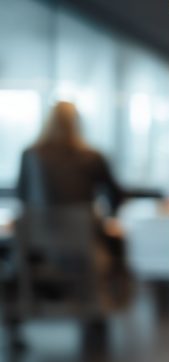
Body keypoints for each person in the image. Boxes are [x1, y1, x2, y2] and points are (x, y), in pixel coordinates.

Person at [15, 101, 128, 292]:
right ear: (78, 124)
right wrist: (109, 217)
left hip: (39, 239)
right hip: (84, 240)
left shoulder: (30, 155)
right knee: (117, 245)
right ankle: (109, 298)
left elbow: (22, 195)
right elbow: (115, 196)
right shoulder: (92, 156)